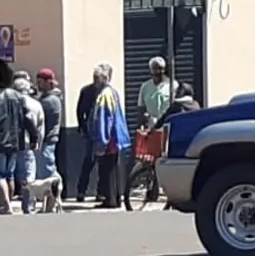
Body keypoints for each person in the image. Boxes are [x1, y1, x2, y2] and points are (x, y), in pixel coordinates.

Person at [0, 57, 39, 215]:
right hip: (15, 142)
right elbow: (28, 119)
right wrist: (33, 138)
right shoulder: (17, 97)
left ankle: (5, 206)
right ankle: (7, 204)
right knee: (9, 175)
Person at [91, 63, 131, 209]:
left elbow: (104, 119)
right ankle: (114, 198)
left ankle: (110, 199)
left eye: (97, 77)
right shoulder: (112, 92)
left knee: (107, 169)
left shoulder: (104, 95)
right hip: (115, 138)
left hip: (109, 139)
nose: (94, 81)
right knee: (112, 168)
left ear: (105, 78)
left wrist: (102, 141)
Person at [13, 77, 45, 214]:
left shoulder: (9, 103)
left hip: (9, 144)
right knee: (28, 177)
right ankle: (29, 206)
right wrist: (38, 144)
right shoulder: (36, 104)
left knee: (8, 175)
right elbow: (40, 127)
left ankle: (6, 205)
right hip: (28, 145)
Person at [75, 70, 103, 202]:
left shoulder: (104, 91)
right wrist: (84, 128)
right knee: (90, 161)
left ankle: (98, 192)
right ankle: (82, 191)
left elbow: (80, 111)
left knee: (98, 162)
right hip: (93, 132)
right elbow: (80, 111)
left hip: (98, 131)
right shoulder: (88, 91)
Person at [35, 68, 62, 180]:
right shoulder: (48, 98)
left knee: (47, 170)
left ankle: (55, 191)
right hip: (47, 140)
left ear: (47, 82)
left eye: (40, 82)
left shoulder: (49, 101)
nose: (38, 85)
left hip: (47, 140)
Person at [137, 56, 178, 129]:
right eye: (154, 69)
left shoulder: (173, 85)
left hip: (168, 125)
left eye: (160, 68)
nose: (157, 72)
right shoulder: (145, 87)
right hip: (151, 127)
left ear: (164, 69)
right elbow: (141, 109)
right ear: (150, 70)